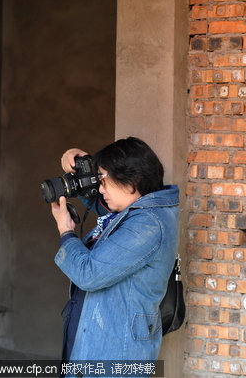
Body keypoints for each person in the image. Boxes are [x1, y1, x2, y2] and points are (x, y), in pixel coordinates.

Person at [50, 137, 180, 367]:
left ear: (132, 180)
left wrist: (66, 232)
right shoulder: (135, 211)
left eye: (102, 179)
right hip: (95, 342)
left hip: (114, 355)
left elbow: (88, 274)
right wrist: (80, 161)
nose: (100, 188)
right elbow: (100, 204)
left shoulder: (148, 224)